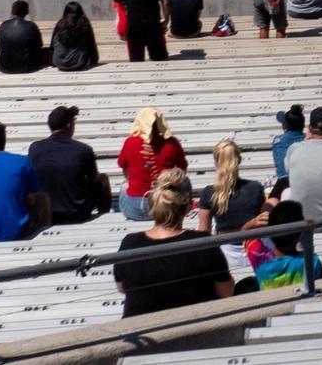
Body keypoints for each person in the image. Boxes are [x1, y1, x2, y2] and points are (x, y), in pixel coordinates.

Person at [111, 170, 233, 317]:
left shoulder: (129, 243)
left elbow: (122, 287)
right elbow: (226, 292)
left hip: (140, 331)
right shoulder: (203, 243)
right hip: (193, 331)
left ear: (153, 205)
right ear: (188, 206)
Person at [194, 139, 265, 284]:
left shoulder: (208, 193)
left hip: (225, 253)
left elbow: (203, 232)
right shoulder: (255, 188)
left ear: (216, 163)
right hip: (254, 249)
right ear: (239, 160)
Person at [28, 105, 111, 227]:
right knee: (102, 179)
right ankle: (104, 219)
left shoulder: (35, 148)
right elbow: (94, 179)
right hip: (76, 213)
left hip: (46, 213)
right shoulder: (83, 149)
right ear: (69, 125)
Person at [117, 108, 188, 222]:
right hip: (166, 208)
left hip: (136, 209)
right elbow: (182, 170)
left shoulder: (130, 142)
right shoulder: (172, 143)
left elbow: (124, 168)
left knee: (125, 185)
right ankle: (185, 206)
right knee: (185, 181)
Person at [0, 0, 47, 73]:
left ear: (12, 11)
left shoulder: (3, 25)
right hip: (25, 66)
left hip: (3, 66)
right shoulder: (31, 26)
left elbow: (0, 43)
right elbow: (39, 45)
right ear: (27, 11)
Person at [52, 1, 101, 71]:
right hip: (79, 63)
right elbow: (91, 45)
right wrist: (94, 59)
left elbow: (52, 45)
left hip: (59, 63)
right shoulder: (84, 24)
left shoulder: (60, 24)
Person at [269, 106, 306, 182]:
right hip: (306, 182)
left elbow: (279, 169)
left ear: (284, 127)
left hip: (284, 183)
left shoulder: (278, 141)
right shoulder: (310, 140)